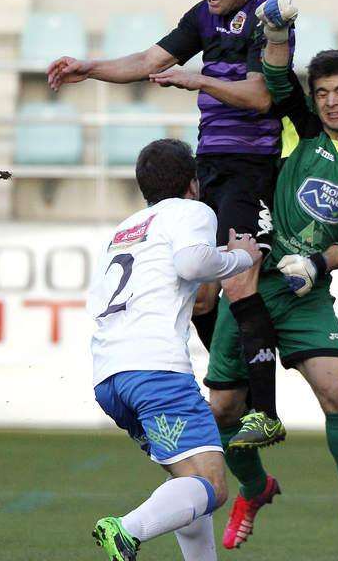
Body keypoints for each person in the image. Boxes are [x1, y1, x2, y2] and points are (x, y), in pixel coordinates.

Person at [47, 0, 297, 446]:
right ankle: (232, 389)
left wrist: (198, 81)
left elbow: (259, 96)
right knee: (204, 293)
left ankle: (265, 409)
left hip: (252, 168)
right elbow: (149, 61)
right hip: (211, 164)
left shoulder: (271, 19)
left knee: (240, 272)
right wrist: (90, 68)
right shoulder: (203, 16)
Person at [204, 8, 338, 555]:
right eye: (324, 92)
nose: (333, 101)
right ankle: (253, 488)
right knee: (223, 412)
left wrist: (317, 266)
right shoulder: (303, 124)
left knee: (336, 392)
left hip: (307, 294)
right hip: (254, 284)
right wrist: (278, 33)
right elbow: (280, 79)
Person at [88, 138, 261, 561]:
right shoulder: (192, 210)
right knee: (213, 487)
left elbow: (198, 298)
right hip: (156, 373)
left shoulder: (126, 228)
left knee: (189, 486)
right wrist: (240, 259)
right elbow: (191, 264)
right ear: (193, 182)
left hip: (111, 377)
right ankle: (125, 529)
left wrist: (212, 267)